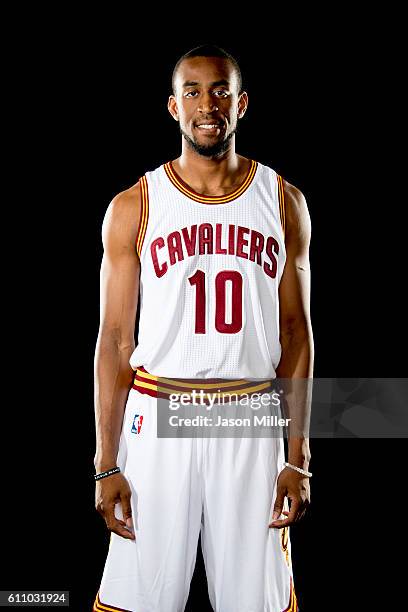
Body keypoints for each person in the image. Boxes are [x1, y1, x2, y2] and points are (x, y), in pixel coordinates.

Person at [93, 44, 313, 612]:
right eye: (192, 91)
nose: (207, 105)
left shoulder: (282, 201)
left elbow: (297, 335)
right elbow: (115, 342)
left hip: (249, 415)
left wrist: (298, 457)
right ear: (173, 107)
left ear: (242, 103)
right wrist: (105, 463)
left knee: (257, 603)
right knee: (138, 600)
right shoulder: (134, 205)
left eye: (220, 90)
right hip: (159, 415)